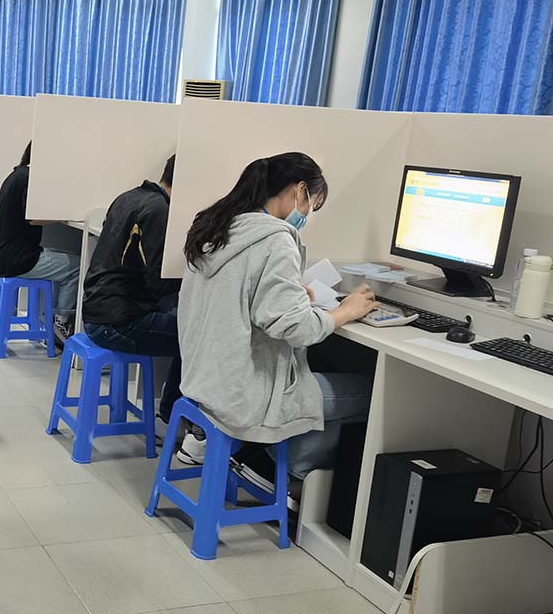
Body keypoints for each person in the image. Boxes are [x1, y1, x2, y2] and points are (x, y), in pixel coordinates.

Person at [177, 152, 377, 491]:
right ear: (300, 191)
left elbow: (241, 295)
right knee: (373, 396)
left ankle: (263, 459)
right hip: (244, 394)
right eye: (312, 204)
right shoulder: (275, 239)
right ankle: (273, 468)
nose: (307, 214)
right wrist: (347, 311)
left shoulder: (219, 227)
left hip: (205, 379)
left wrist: (294, 295)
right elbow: (297, 329)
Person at [83, 154, 180, 420]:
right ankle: (172, 417)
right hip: (117, 322)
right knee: (195, 338)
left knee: (180, 319)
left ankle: (172, 414)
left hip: (97, 309)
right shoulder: (160, 210)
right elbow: (157, 283)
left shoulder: (128, 197)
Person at [0, 143, 80, 344]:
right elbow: (33, 219)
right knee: (76, 267)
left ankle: (50, 319)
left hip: (5, 254)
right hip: (17, 259)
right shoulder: (29, 178)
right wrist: (66, 213)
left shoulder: (17, 174)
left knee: (64, 257)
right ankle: (60, 322)